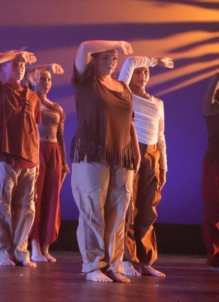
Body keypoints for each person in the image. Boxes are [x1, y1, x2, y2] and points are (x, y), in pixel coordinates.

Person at [70, 40, 138, 283]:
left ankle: (113, 265)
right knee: (93, 209)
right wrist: (117, 43)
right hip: (92, 152)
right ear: (94, 61)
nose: (111, 63)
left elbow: (130, 122)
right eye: (106, 58)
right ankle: (92, 266)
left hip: (122, 155)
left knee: (119, 212)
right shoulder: (87, 82)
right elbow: (84, 46)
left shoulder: (122, 86)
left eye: (114, 59)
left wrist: (136, 152)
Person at [0, 50, 41, 268]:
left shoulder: (33, 96)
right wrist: (16, 53)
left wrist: (36, 159)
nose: (20, 67)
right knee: (1, 207)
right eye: (15, 64)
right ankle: (2, 252)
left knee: (27, 209)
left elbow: (34, 130)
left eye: (22, 64)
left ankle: (20, 250)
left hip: (29, 160)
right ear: (4, 68)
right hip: (5, 157)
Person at [118, 56, 172, 278]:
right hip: (132, 152)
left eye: (146, 73)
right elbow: (130, 61)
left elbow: (161, 136)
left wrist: (164, 166)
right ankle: (127, 259)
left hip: (152, 155)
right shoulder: (125, 94)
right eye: (139, 72)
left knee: (149, 209)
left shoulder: (157, 103)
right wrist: (155, 60)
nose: (142, 76)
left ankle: (146, 260)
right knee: (130, 207)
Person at [25, 64, 68, 264]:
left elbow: (61, 137)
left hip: (54, 153)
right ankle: (33, 246)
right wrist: (46, 66)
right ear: (34, 81)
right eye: (42, 79)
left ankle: (45, 246)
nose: (47, 83)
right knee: (36, 199)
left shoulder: (56, 107)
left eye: (49, 79)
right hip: (36, 151)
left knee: (52, 200)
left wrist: (64, 163)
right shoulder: (30, 100)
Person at [203, 72, 219, 272]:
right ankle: (215, 257)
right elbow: (209, 97)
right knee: (214, 211)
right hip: (215, 165)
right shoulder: (212, 110)